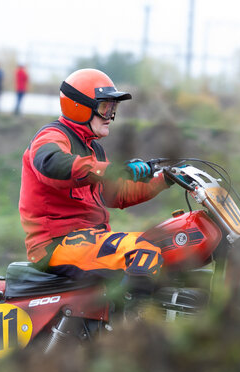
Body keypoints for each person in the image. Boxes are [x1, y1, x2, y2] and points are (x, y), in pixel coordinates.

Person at [19, 68, 171, 318]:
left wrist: (164, 179)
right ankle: (131, 337)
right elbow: (52, 164)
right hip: (56, 244)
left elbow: (116, 195)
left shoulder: (94, 150)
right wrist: (112, 170)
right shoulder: (52, 136)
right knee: (143, 250)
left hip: (87, 239)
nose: (110, 115)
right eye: (105, 108)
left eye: (113, 109)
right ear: (80, 107)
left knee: (168, 245)